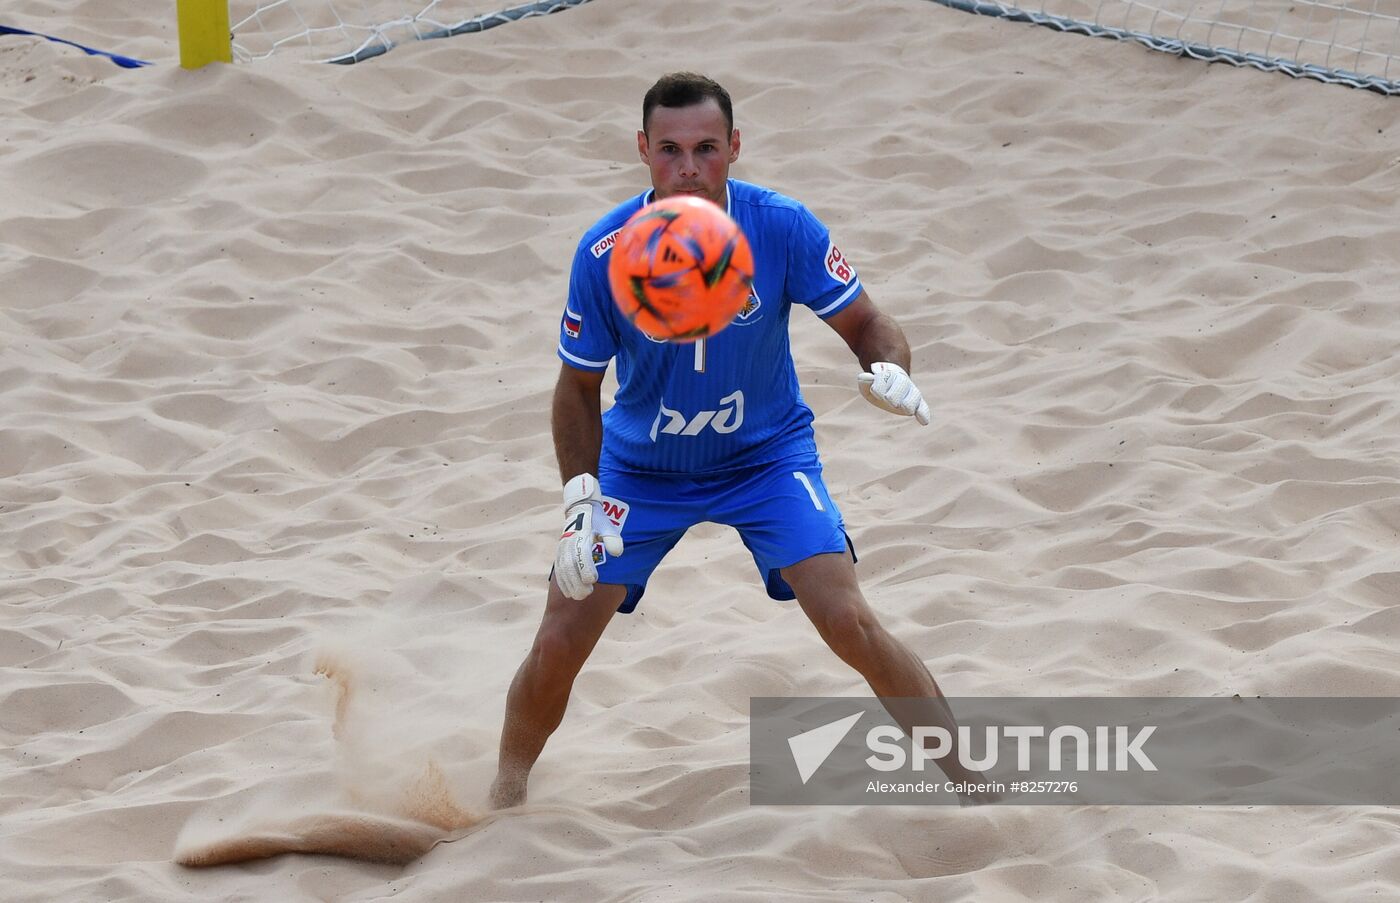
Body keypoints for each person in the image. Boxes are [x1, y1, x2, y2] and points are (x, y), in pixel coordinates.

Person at [490, 72, 985, 810]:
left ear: (735, 146)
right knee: (559, 637)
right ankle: (502, 796)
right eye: (670, 149)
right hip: (642, 469)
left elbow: (868, 322)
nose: (688, 167)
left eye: (706, 148)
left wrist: (890, 367)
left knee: (849, 620)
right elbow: (577, 388)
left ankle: (977, 788)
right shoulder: (604, 252)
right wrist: (579, 499)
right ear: (643, 150)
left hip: (766, 458)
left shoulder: (780, 226)